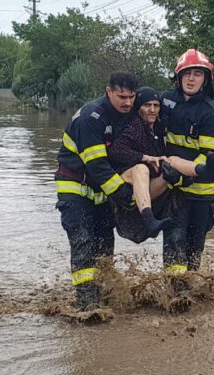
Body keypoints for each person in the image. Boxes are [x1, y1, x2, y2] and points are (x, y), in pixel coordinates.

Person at [55, 72, 138, 311]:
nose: (128, 103)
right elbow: (98, 166)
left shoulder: (125, 116)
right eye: (122, 96)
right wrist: (124, 196)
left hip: (100, 192)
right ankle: (87, 304)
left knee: (104, 245)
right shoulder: (90, 118)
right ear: (108, 91)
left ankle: (104, 294)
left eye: (131, 97)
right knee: (83, 241)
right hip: (75, 188)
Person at [108, 87, 214, 243]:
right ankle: (149, 220)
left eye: (156, 105)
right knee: (142, 169)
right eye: (147, 106)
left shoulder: (158, 130)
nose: (152, 110)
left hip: (149, 188)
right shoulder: (133, 126)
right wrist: (144, 157)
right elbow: (115, 151)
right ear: (138, 107)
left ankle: (202, 169)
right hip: (127, 189)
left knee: (171, 161)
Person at [159, 49, 214, 286]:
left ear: (206, 79)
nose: (191, 79)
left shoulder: (212, 115)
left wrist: (181, 173)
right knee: (173, 243)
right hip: (174, 191)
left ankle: (189, 291)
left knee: (193, 251)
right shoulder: (165, 102)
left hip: (201, 196)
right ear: (178, 77)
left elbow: (207, 161)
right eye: (187, 73)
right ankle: (175, 297)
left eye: (197, 74)